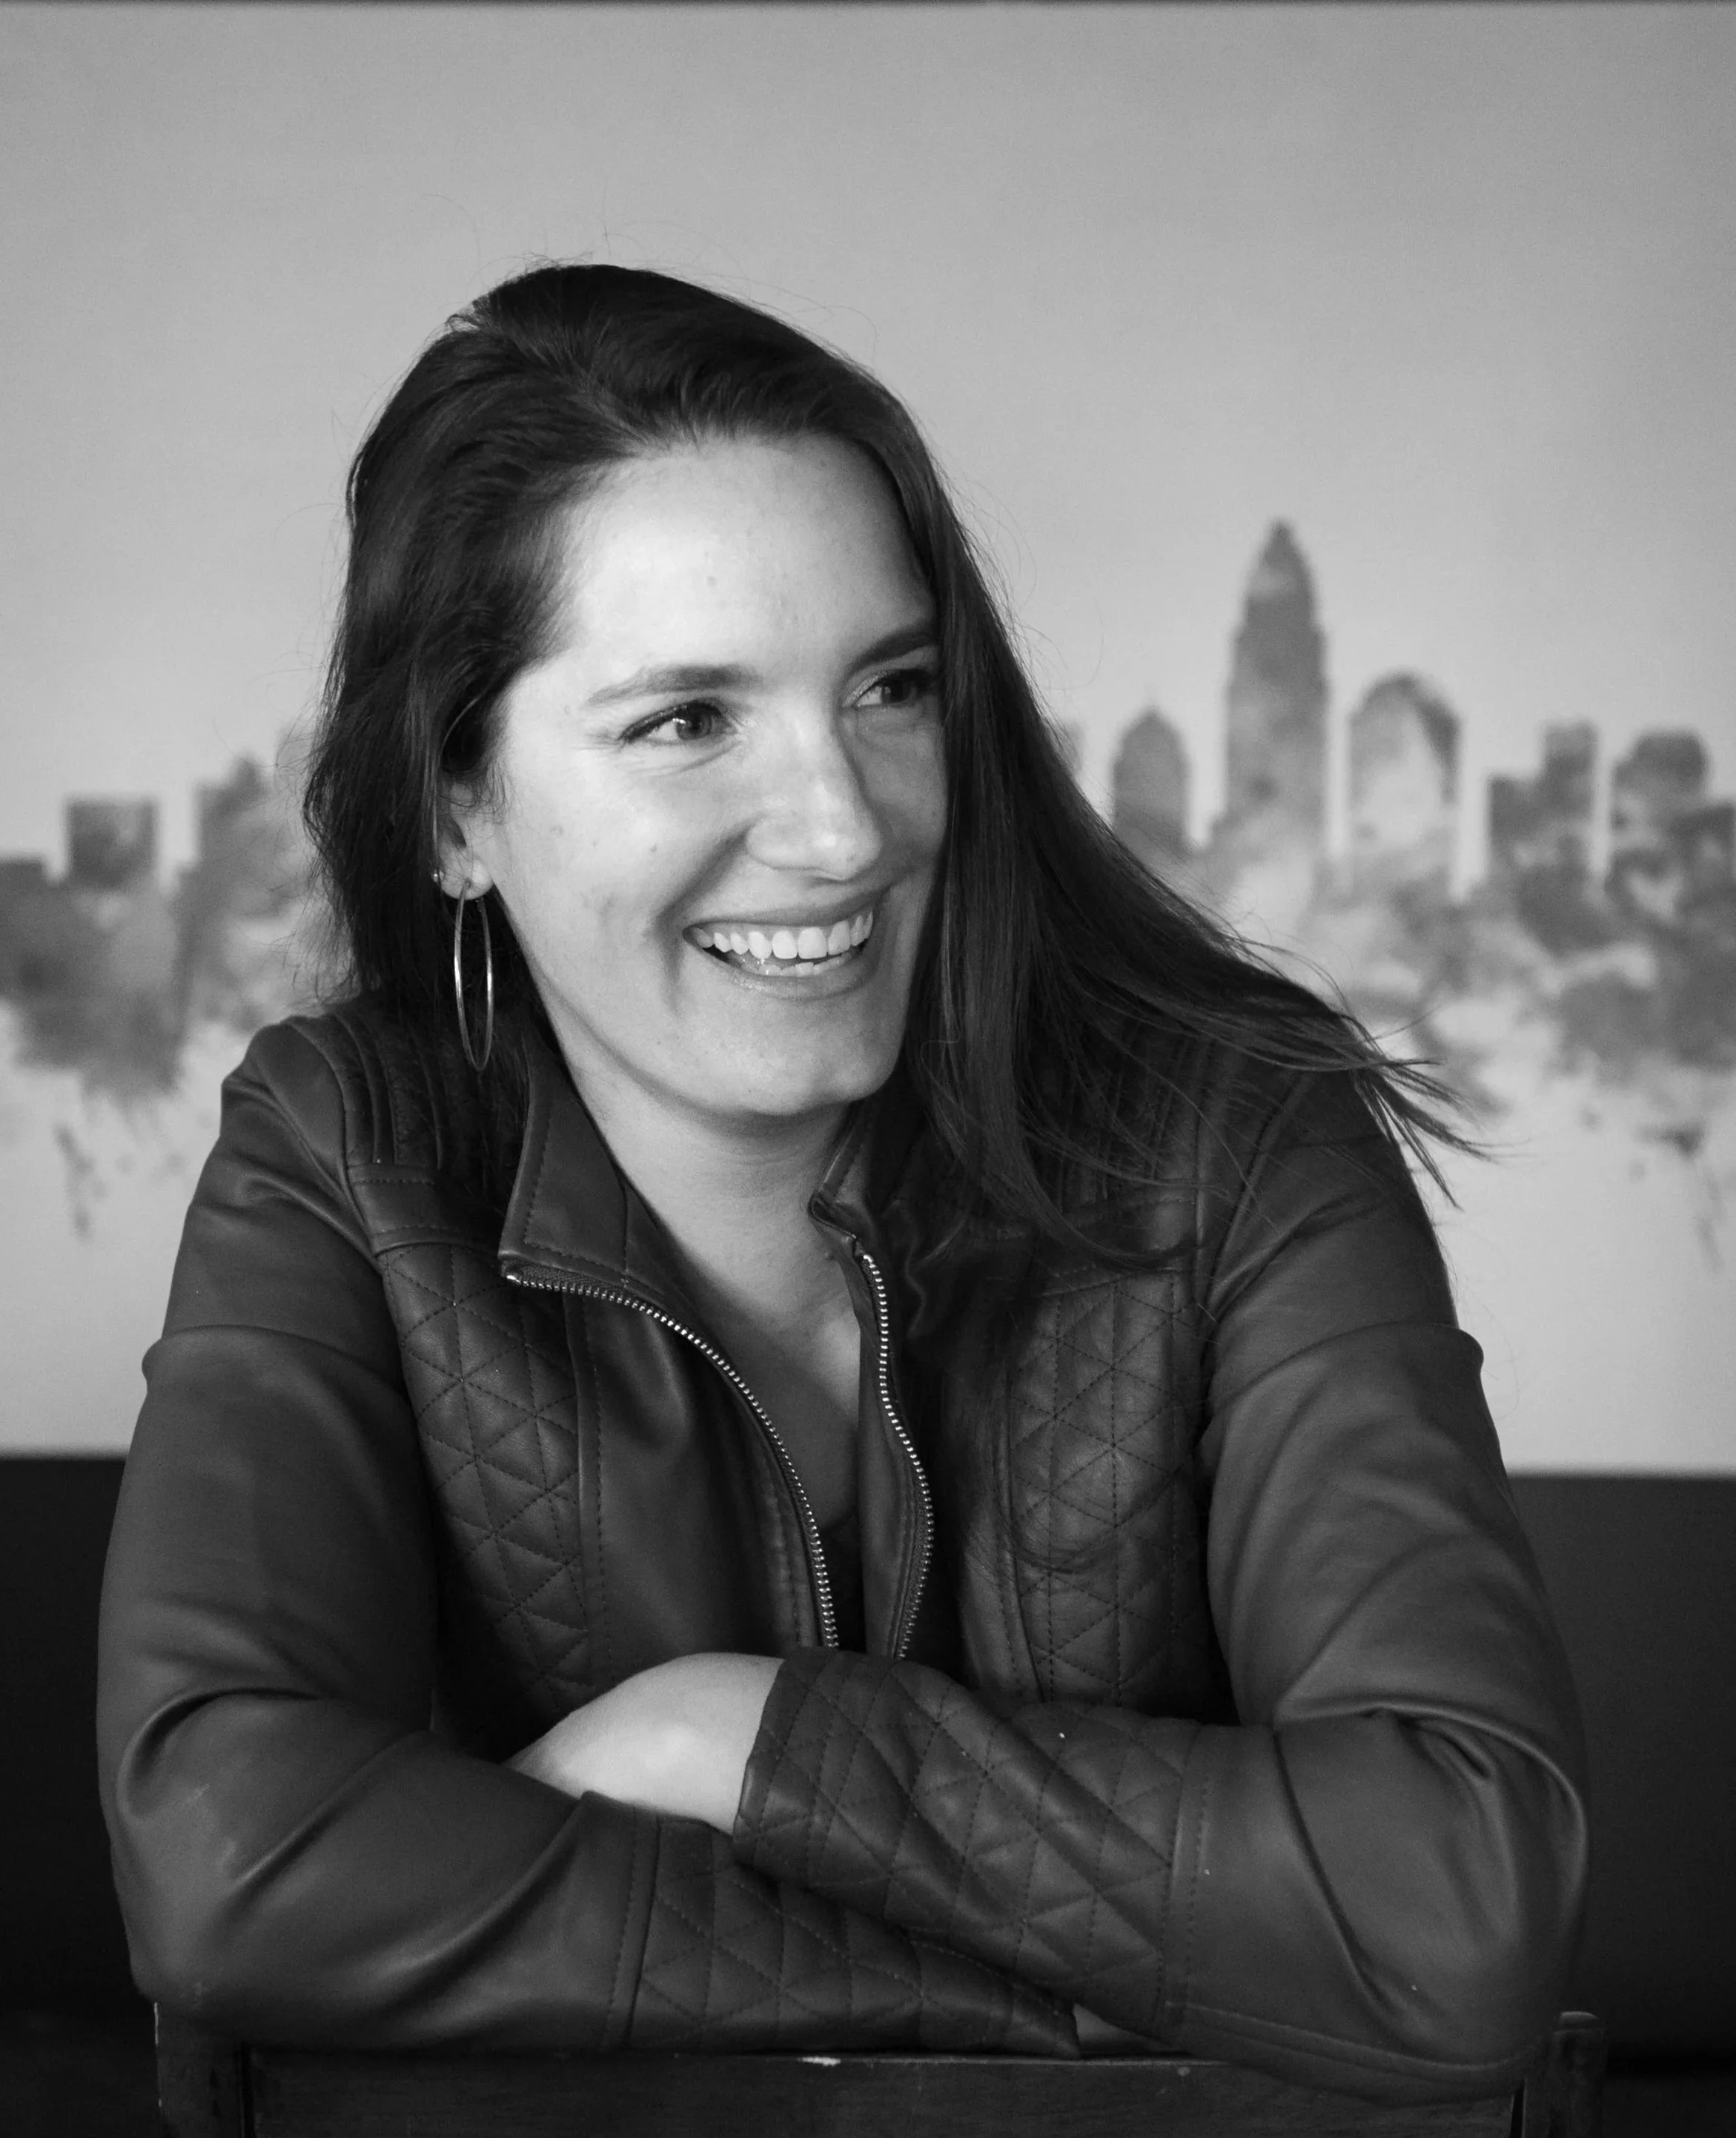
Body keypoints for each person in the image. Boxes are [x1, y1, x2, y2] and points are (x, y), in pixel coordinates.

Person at [97, 263, 1587, 2103]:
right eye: (685, 719)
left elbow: (1455, 1900)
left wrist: (743, 1740)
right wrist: (1104, 1988)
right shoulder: (346, 1149)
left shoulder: (1241, 1135)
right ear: (457, 808)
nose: (845, 823)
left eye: (890, 687)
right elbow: (230, 1866)